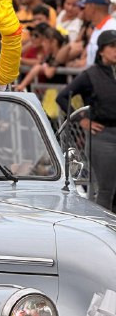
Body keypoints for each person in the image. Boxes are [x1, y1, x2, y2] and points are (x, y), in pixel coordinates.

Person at [57, 30, 116, 210]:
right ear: (101, 51)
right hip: (102, 136)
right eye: (112, 47)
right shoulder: (91, 75)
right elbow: (62, 97)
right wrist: (81, 119)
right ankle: (105, 233)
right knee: (106, 190)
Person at [79, 0, 116, 67]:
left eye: (84, 7)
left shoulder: (112, 28)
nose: (83, 11)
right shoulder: (98, 28)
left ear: (92, 7)